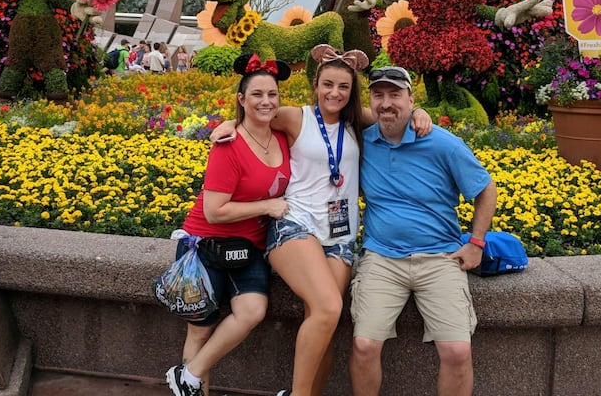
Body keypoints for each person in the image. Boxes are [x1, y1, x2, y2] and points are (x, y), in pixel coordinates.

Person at [211, 46, 431, 396]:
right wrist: (228, 122)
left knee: (324, 321)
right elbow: (256, 111)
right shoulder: (295, 117)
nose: (335, 93)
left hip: (340, 235)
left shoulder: (356, 119)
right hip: (295, 224)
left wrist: (418, 111)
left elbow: (393, 112)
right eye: (328, 84)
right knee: (330, 307)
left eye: (343, 87)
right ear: (316, 84)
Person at [348, 65, 498, 396]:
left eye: (395, 95)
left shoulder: (443, 143)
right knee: (363, 345)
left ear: (411, 99)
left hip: (441, 258)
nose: (386, 103)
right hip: (382, 259)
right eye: (378, 95)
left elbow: (486, 189)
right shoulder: (362, 140)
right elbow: (325, 108)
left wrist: (476, 242)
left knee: (457, 351)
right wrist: (237, 122)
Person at [166, 52, 293, 396]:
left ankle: (188, 375)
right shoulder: (228, 144)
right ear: (241, 99)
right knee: (200, 331)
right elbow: (214, 211)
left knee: (252, 311)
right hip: (206, 245)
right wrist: (268, 205)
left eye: (272, 95)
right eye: (257, 94)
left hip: (249, 247)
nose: (266, 101)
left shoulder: (282, 136)